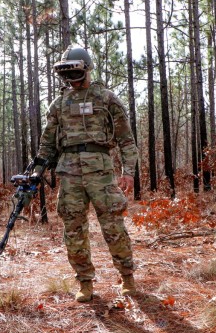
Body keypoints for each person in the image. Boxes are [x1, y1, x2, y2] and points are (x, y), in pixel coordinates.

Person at [33, 45, 139, 302]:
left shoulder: (106, 98)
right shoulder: (59, 104)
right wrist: (36, 172)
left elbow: (126, 139)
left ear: (87, 69)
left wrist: (128, 172)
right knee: (73, 229)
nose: (72, 80)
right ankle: (85, 282)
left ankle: (126, 276)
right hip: (69, 172)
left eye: (76, 73)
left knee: (113, 225)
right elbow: (47, 144)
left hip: (101, 171)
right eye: (67, 75)